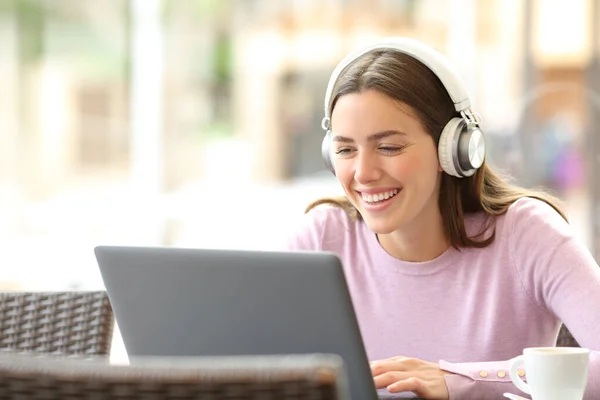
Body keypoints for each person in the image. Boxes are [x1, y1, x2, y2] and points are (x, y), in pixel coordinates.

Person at [282, 37, 600, 399]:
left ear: (453, 149)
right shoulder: (321, 238)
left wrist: (457, 380)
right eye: (345, 149)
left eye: (389, 147)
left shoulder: (527, 234)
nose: (363, 172)